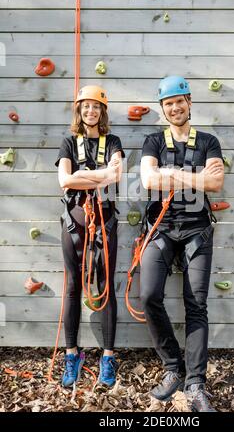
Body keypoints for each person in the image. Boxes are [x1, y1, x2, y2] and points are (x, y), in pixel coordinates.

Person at [140, 76, 224, 412]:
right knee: (148, 296)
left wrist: (171, 173)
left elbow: (216, 182)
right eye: (168, 104)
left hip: (196, 231)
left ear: (189, 102)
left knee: (196, 303)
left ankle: (195, 384)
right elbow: (148, 179)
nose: (174, 108)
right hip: (160, 230)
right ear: (163, 109)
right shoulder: (152, 141)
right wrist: (194, 176)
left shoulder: (208, 141)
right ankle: (173, 367)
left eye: (179, 101)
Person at [55, 85, 125, 388]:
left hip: (105, 223)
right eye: (86, 106)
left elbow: (117, 175)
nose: (91, 111)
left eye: (96, 107)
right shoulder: (68, 142)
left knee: (105, 286)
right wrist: (100, 176)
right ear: (79, 110)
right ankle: (72, 354)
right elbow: (64, 180)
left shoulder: (113, 142)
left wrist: (81, 178)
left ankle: (108, 356)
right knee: (72, 286)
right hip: (74, 224)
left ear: (103, 111)